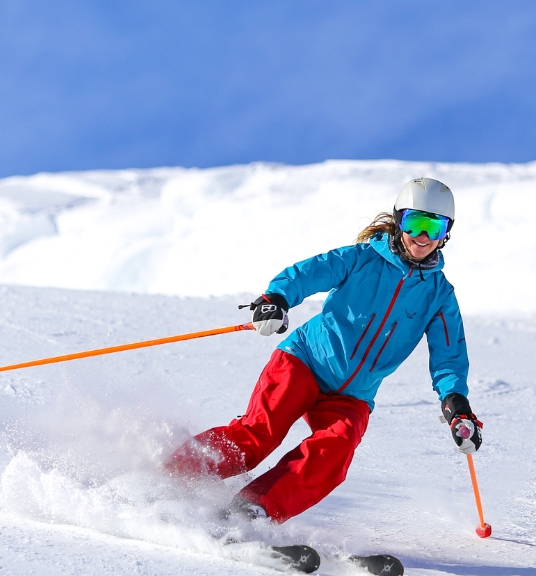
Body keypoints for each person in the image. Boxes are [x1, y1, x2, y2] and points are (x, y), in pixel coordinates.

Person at [164, 178, 482, 523]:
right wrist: (276, 299)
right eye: (414, 223)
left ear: (446, 233)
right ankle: (168, 475)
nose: (422, 237)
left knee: (334, 451)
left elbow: (448, 356)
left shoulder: (439, 295)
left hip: (353, 395)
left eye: (433, 227)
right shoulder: (361, 259)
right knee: (258, 435)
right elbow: (307, 274)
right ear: (398, 221)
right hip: (305, 361)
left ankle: (250, 512)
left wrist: (456, 404)